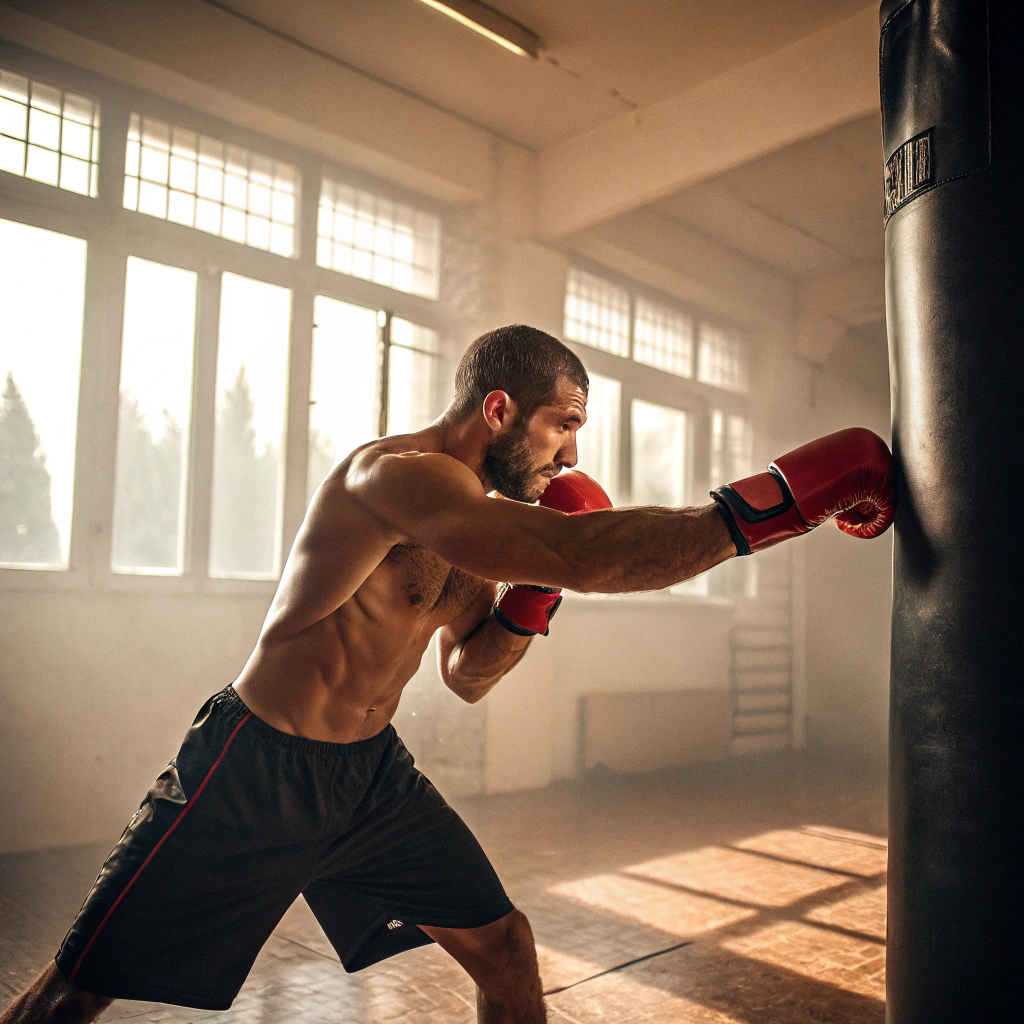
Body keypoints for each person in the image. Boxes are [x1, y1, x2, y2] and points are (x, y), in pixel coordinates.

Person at [1, 324, 895, 1024]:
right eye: (565, 425)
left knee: (506, 948)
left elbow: (468, 675)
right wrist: (783, 499)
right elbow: (584, 553)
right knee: (72, 996)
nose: (572, 458)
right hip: (254, 767)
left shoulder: (479, 533)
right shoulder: (397, 477)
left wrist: (533, 596)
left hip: (368, 780)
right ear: (500, 410)